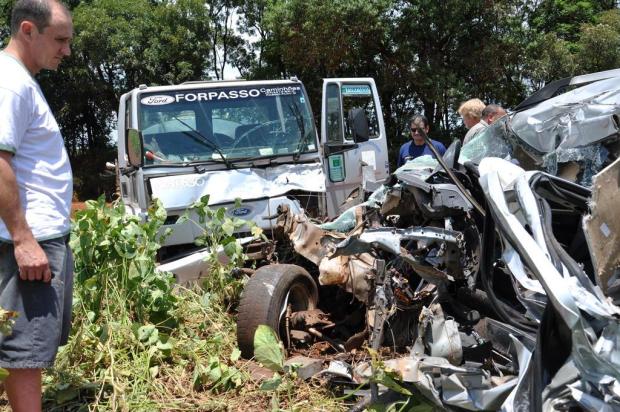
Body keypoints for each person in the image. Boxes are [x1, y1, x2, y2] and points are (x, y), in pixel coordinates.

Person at [0, 1, 74, 411]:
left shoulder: (19, 81)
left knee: (27, 346)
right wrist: (24, 239)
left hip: (40, 236)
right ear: (28, 30)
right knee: (24, 352)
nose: (66, 50)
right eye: (60, 39)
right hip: (30, 242)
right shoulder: (9, 82)